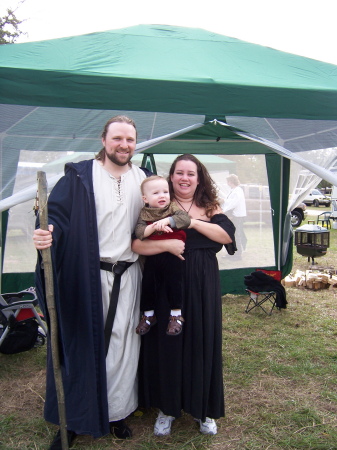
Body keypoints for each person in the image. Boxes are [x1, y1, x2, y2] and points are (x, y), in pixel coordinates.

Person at [32, 116, 183, 449]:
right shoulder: (80, 177)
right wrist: (47, 234)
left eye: (130, 139)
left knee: (123, 347)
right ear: (104, 140)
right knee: (81, 345)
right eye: (117, 138)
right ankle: (73, 418)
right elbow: (55, 218)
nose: (124, 145)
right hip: (87, 277)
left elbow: (164, 213)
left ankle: (116, 413)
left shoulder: (144, 178)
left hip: (131, 275)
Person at [132, 154, 236, 437]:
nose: (184, 178)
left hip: (204, 283)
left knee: (202, 341)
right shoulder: (159, 204)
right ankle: (167, 408)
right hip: (168, 282)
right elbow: (137, 245)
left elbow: (227, 236)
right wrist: (166, 245)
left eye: (191, 173)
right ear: (171, 176)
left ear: (199, 177)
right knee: (168, 343)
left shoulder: (210, 206)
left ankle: (204, 410)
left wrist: (190, 222)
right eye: (179, 173)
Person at [134, 175, 191, 337]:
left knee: (175, 283)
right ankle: (148, 315)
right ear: (145, 198)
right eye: (156, 193)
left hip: (173, 256)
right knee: (148, 284)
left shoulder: (173, 209)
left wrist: (167, 221)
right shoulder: (144, 213)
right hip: (153, 255)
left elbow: (185, 220)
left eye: (165, 192)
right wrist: (153, 227)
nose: (162, 196)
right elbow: (139, 233)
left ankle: (176, 315)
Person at [222, 174, 247, 260]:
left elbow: (233, 203)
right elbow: (229, 201)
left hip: (236, 216)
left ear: (231, 181)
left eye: (228, 181)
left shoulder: (237, 190)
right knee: (230, 234)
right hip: (233, 215)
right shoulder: (233, 190)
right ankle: (231, 253)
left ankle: (238, 255)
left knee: (236, 235)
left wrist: (224, 209)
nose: (227, 183)